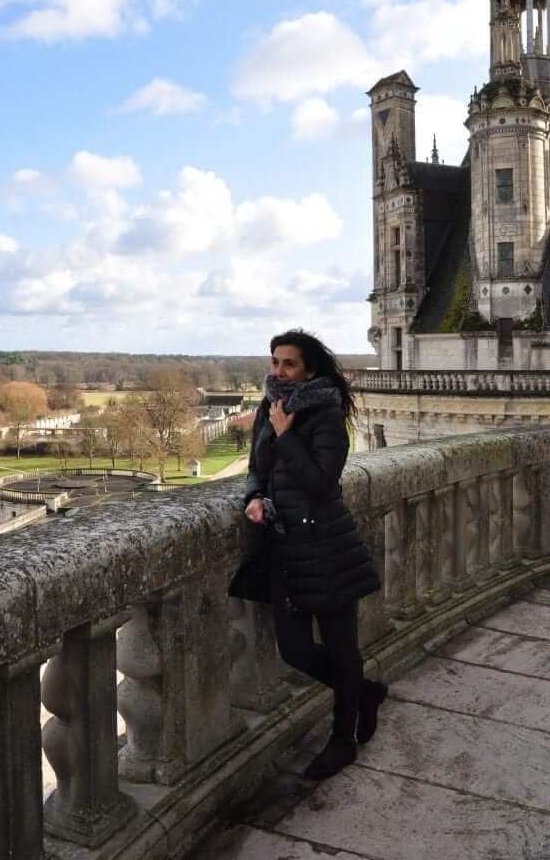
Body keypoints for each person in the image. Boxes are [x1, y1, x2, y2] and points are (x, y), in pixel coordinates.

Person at [237, 329, 386, 780]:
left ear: (310, 370)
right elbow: (255, 468)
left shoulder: (325, 413)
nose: (278, 371)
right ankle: (366, 693)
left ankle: (343, 741)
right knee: (296, 650)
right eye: (275, 362)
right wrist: (256, 496)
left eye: (289, 364)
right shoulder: (270, 406)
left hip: (325, 545)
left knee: (342, 650)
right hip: (284, 545)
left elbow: (322, 482)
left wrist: (286, 435)